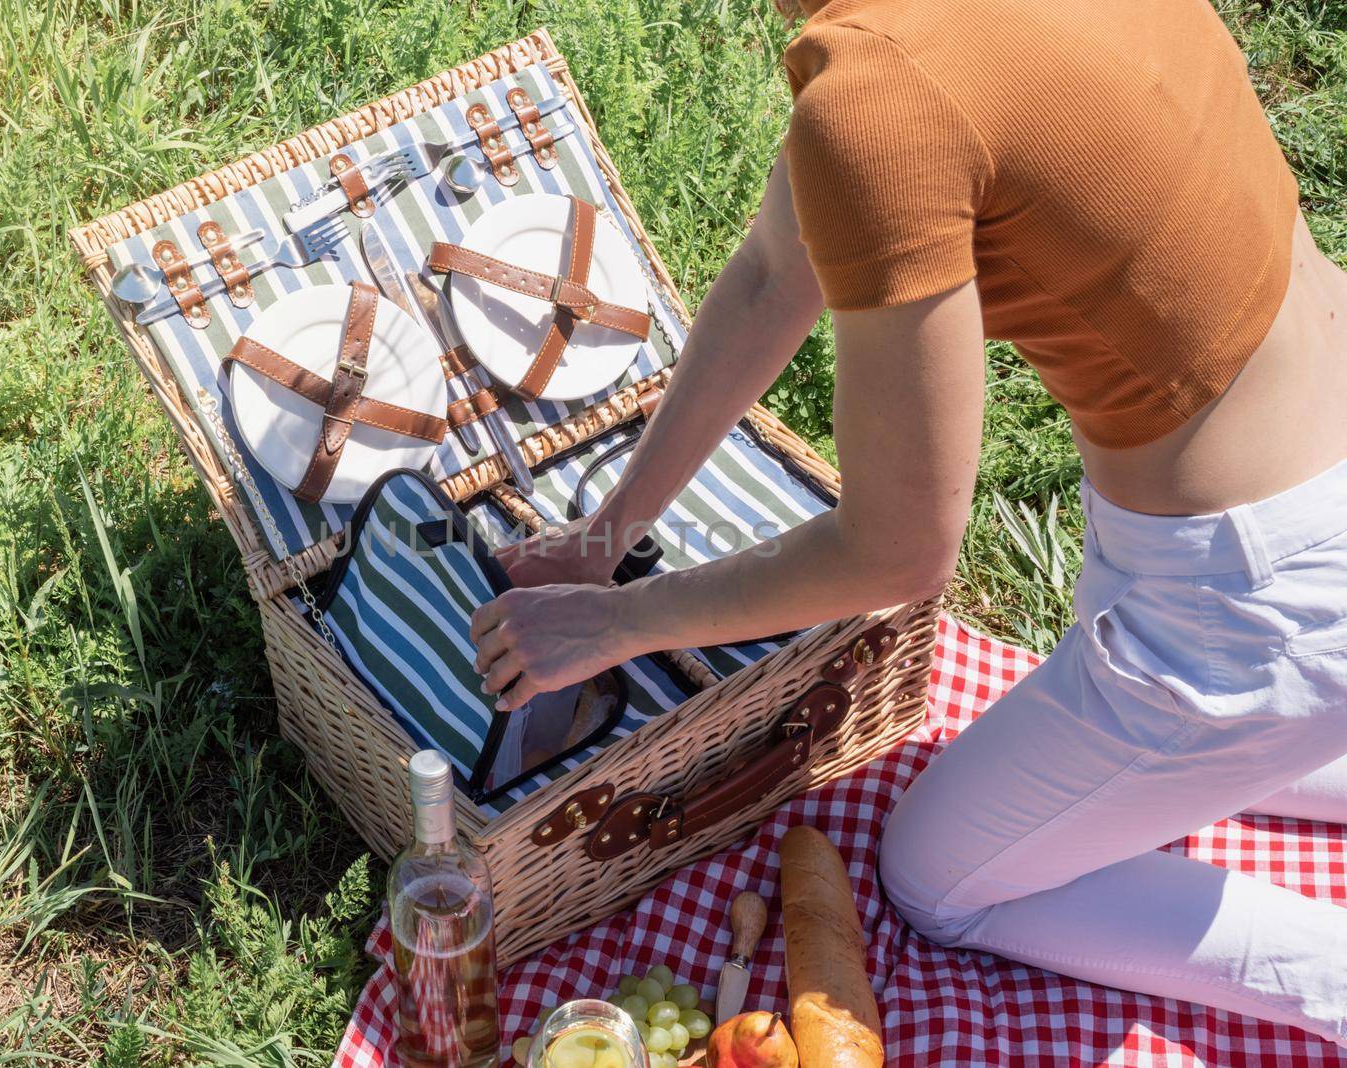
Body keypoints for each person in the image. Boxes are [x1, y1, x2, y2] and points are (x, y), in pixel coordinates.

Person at [468, 0, 1347, 1045]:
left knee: (934, 879)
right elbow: (768, 275)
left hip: (1245, 605)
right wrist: (607, 534)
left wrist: (616, 625)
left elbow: (897, 550)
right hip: (1305, 513)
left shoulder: (882, 101)